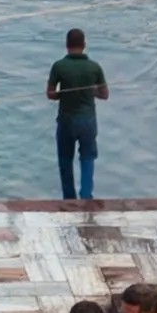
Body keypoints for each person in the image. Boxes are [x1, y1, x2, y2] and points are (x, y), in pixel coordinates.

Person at [45, 27, 106, 202]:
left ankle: (69, 199)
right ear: (84, 45)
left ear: (66, 45)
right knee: (87, 158)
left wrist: (63, 94)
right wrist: (91, 91)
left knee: (65, 160)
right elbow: (104, 94)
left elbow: (50, 94)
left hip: (66, 120)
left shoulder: (59, 66)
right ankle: (86, 197)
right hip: (87, 121)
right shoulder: (94, 67)